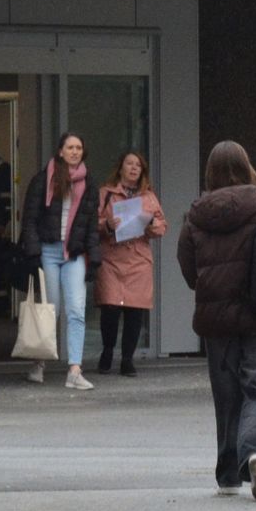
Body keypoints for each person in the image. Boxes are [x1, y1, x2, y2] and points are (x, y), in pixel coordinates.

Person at [176, 141, 256, 501]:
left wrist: (212, 285)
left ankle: (228, 471)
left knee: (226, 394)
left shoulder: (197, 215)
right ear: (247, 166)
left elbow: (188, 269)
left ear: (209, 171)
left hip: (217, 318)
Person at [18, 132, 101, 390]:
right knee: (50, 310)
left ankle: (74, 369)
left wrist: (94, 257)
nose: (75, 151)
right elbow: (30, 218)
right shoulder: (43, 180)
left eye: (79, 147)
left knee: (76, 310)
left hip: (73, 254)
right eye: (70, 147)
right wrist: (33, 252)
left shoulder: (88, 184)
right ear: (60, 151)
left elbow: (90, 226)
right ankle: (39, 363)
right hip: (48, 252)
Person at [95, 150, 167, 377]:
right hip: (112, 258)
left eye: (138, 165)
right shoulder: (106, 193)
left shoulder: (149, 196)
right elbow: (92, 223)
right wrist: (107, 225)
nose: (134, 168)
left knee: (135, 311)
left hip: (138, 259)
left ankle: (128, 359)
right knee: (110, 308)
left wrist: (151, 223)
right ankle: (107, 351)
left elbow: (162, 227)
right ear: (121, 167)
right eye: (130, 164)